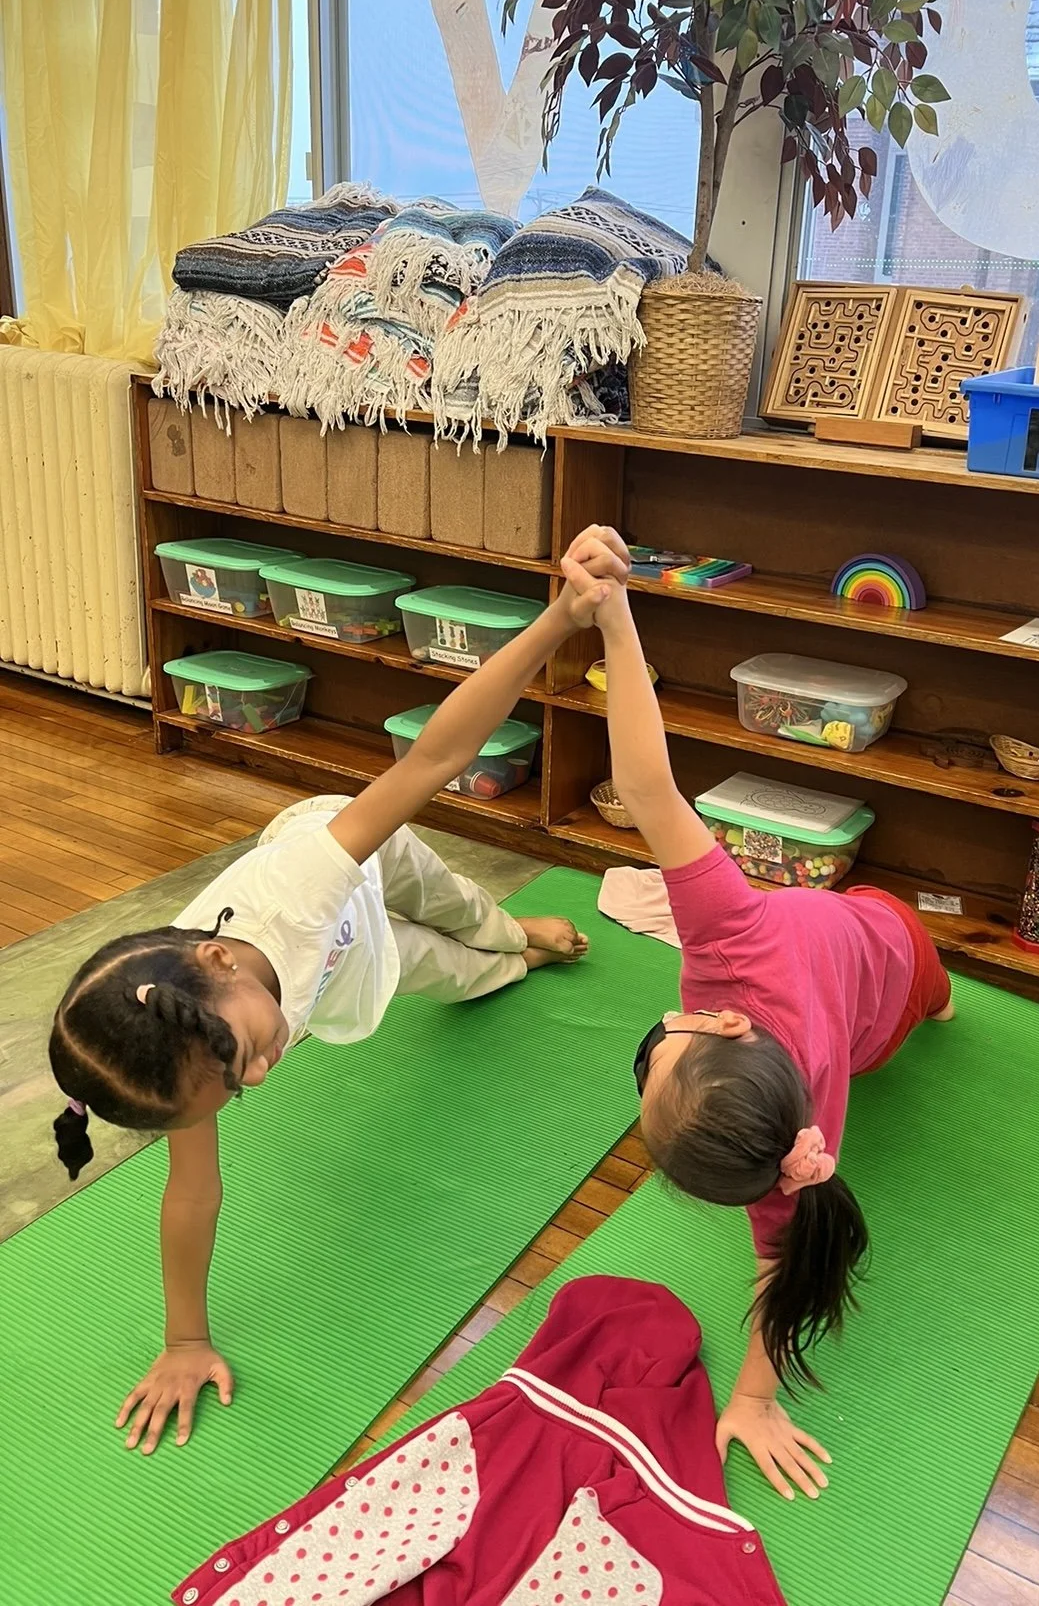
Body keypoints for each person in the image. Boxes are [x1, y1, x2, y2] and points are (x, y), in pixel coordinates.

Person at [47, 526, 631, 1456]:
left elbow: (436, 758)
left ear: (222, 964)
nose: (259, 1080)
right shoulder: (180, 1051)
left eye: (242, 1063)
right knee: (465, 976)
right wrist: (184, 1338)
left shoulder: (296, 891)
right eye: (235, 1089)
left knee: (468, 912)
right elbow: (193, 1195)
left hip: (351, 861)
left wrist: (560, 618)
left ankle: (520, 932)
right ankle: (516, 958)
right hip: (357, 962)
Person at [561, 530, 953, 1503]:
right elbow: (788, 1269)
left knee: (938, 1001)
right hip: (881, 968)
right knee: (924, 1002)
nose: (663, 1026)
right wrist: (755, 1399)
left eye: (654, 1054)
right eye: (666, 1045)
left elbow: (645, 786)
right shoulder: (736, 950)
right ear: (725, 1028)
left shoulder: (741, 970)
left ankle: (942, 1003)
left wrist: (615, 619)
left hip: (889, 954)